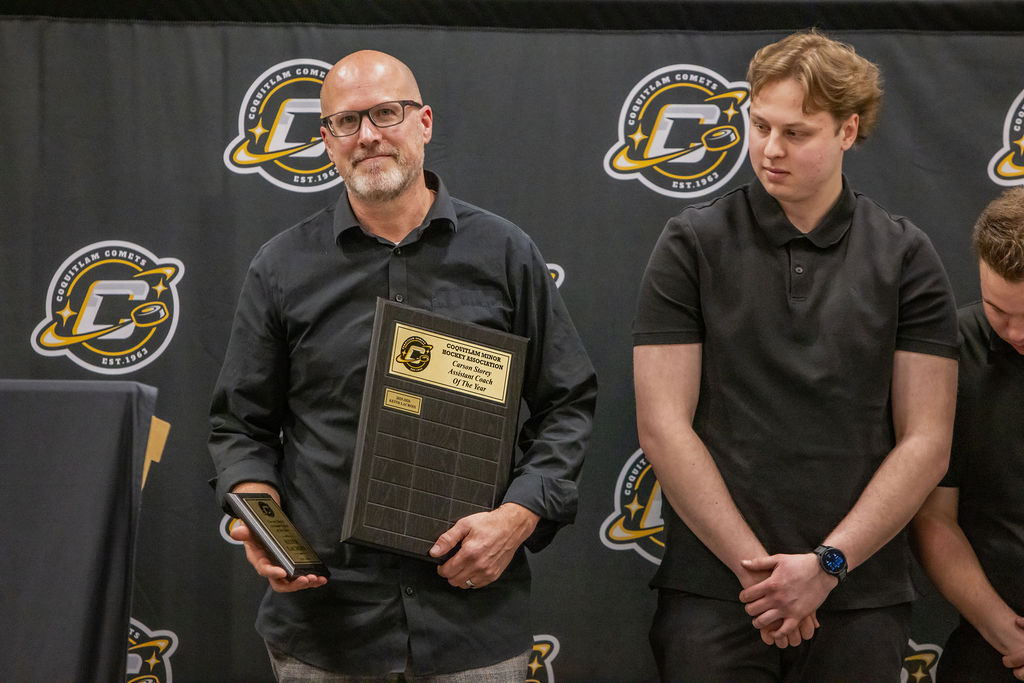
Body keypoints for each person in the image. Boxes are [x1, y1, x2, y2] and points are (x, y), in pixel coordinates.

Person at [209, 50, 597, 681]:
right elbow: (239, 426)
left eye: (386, 113)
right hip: (327, 623)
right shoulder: (281, 267)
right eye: (346, 122)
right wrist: (258, 519)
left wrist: (518, 516)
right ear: (327, 140)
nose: (367, 135)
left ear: (424, 122)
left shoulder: (505, 253)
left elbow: (567, 403)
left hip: (470, 618)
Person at [632, 29, 959, 681]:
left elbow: (927, 440)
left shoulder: (905, 256)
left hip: (859, 592)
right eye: (760, 126)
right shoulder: (691, 243)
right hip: (718, 591)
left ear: (847, 130)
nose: (770, 149)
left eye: (796, 132)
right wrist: (762, 576)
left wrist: (827, 566)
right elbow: (662, 425)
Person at [912, 186, 1024, 682]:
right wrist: (1009, 637)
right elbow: (934, 517)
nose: (1017, 333)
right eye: (999, 311)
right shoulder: (951, 352)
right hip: (992, 638)